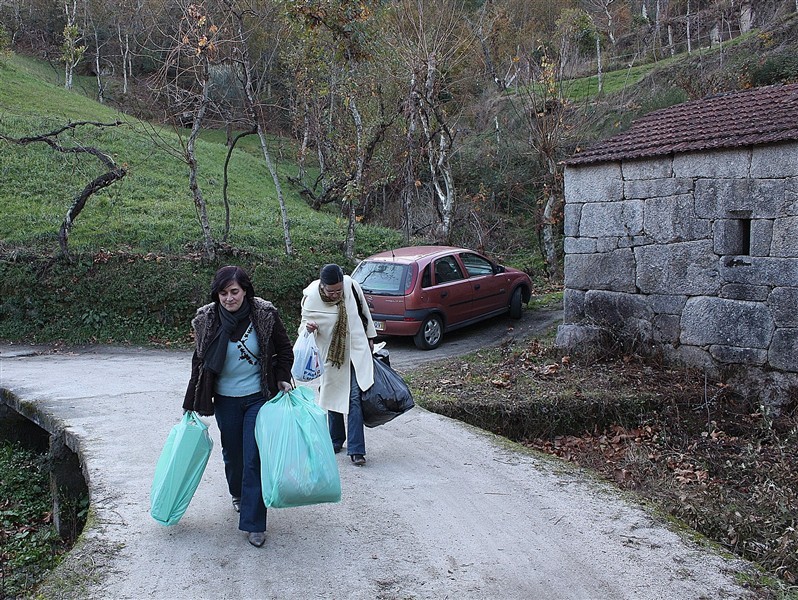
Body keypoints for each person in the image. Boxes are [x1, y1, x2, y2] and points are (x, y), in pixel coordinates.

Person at [183, 265, 293, 548]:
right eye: (223, 293)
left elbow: (284, 349)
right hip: (225, 399)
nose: (229, 298)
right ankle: (238, 493)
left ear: (245, 291)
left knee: (253, 456)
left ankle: (254, 523)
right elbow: (199, 363)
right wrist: (191, 402)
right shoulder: (207, 319)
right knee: (233, 454)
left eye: (234, 292)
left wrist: (281, 377)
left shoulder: (264, 314)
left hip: (258, 396)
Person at [299, 264, 377, 466]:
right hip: (331, 355)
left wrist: (370, 336)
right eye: (331, 291)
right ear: (322, 287)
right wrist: (309, 329)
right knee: (333, 395)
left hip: (356, 350)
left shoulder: (351, 286)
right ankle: (335, 440)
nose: (335, 295)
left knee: (353, 398)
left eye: (338, 290)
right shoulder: (311, 298)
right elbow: (303, 328)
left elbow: (363, 311)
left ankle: (356, 449)